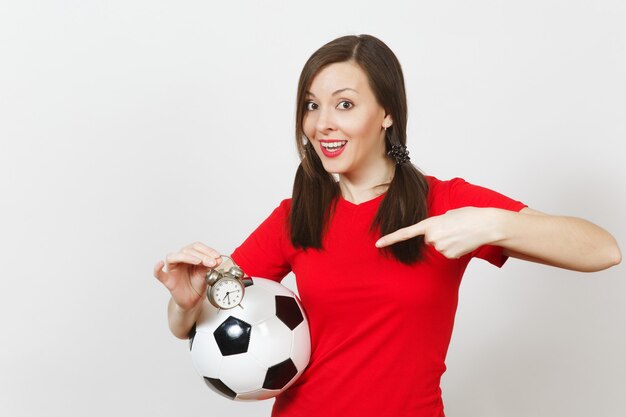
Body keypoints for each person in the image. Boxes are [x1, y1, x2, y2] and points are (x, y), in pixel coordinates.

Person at [153, 34, 621, 417]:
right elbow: (199, 320)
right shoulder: (296, 215)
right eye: (312, 106)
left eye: (344, 104)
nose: (321, 124)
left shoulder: (445, 203)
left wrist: (491, 224)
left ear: (388, 113)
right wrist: (185, 304)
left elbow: (602, 250)